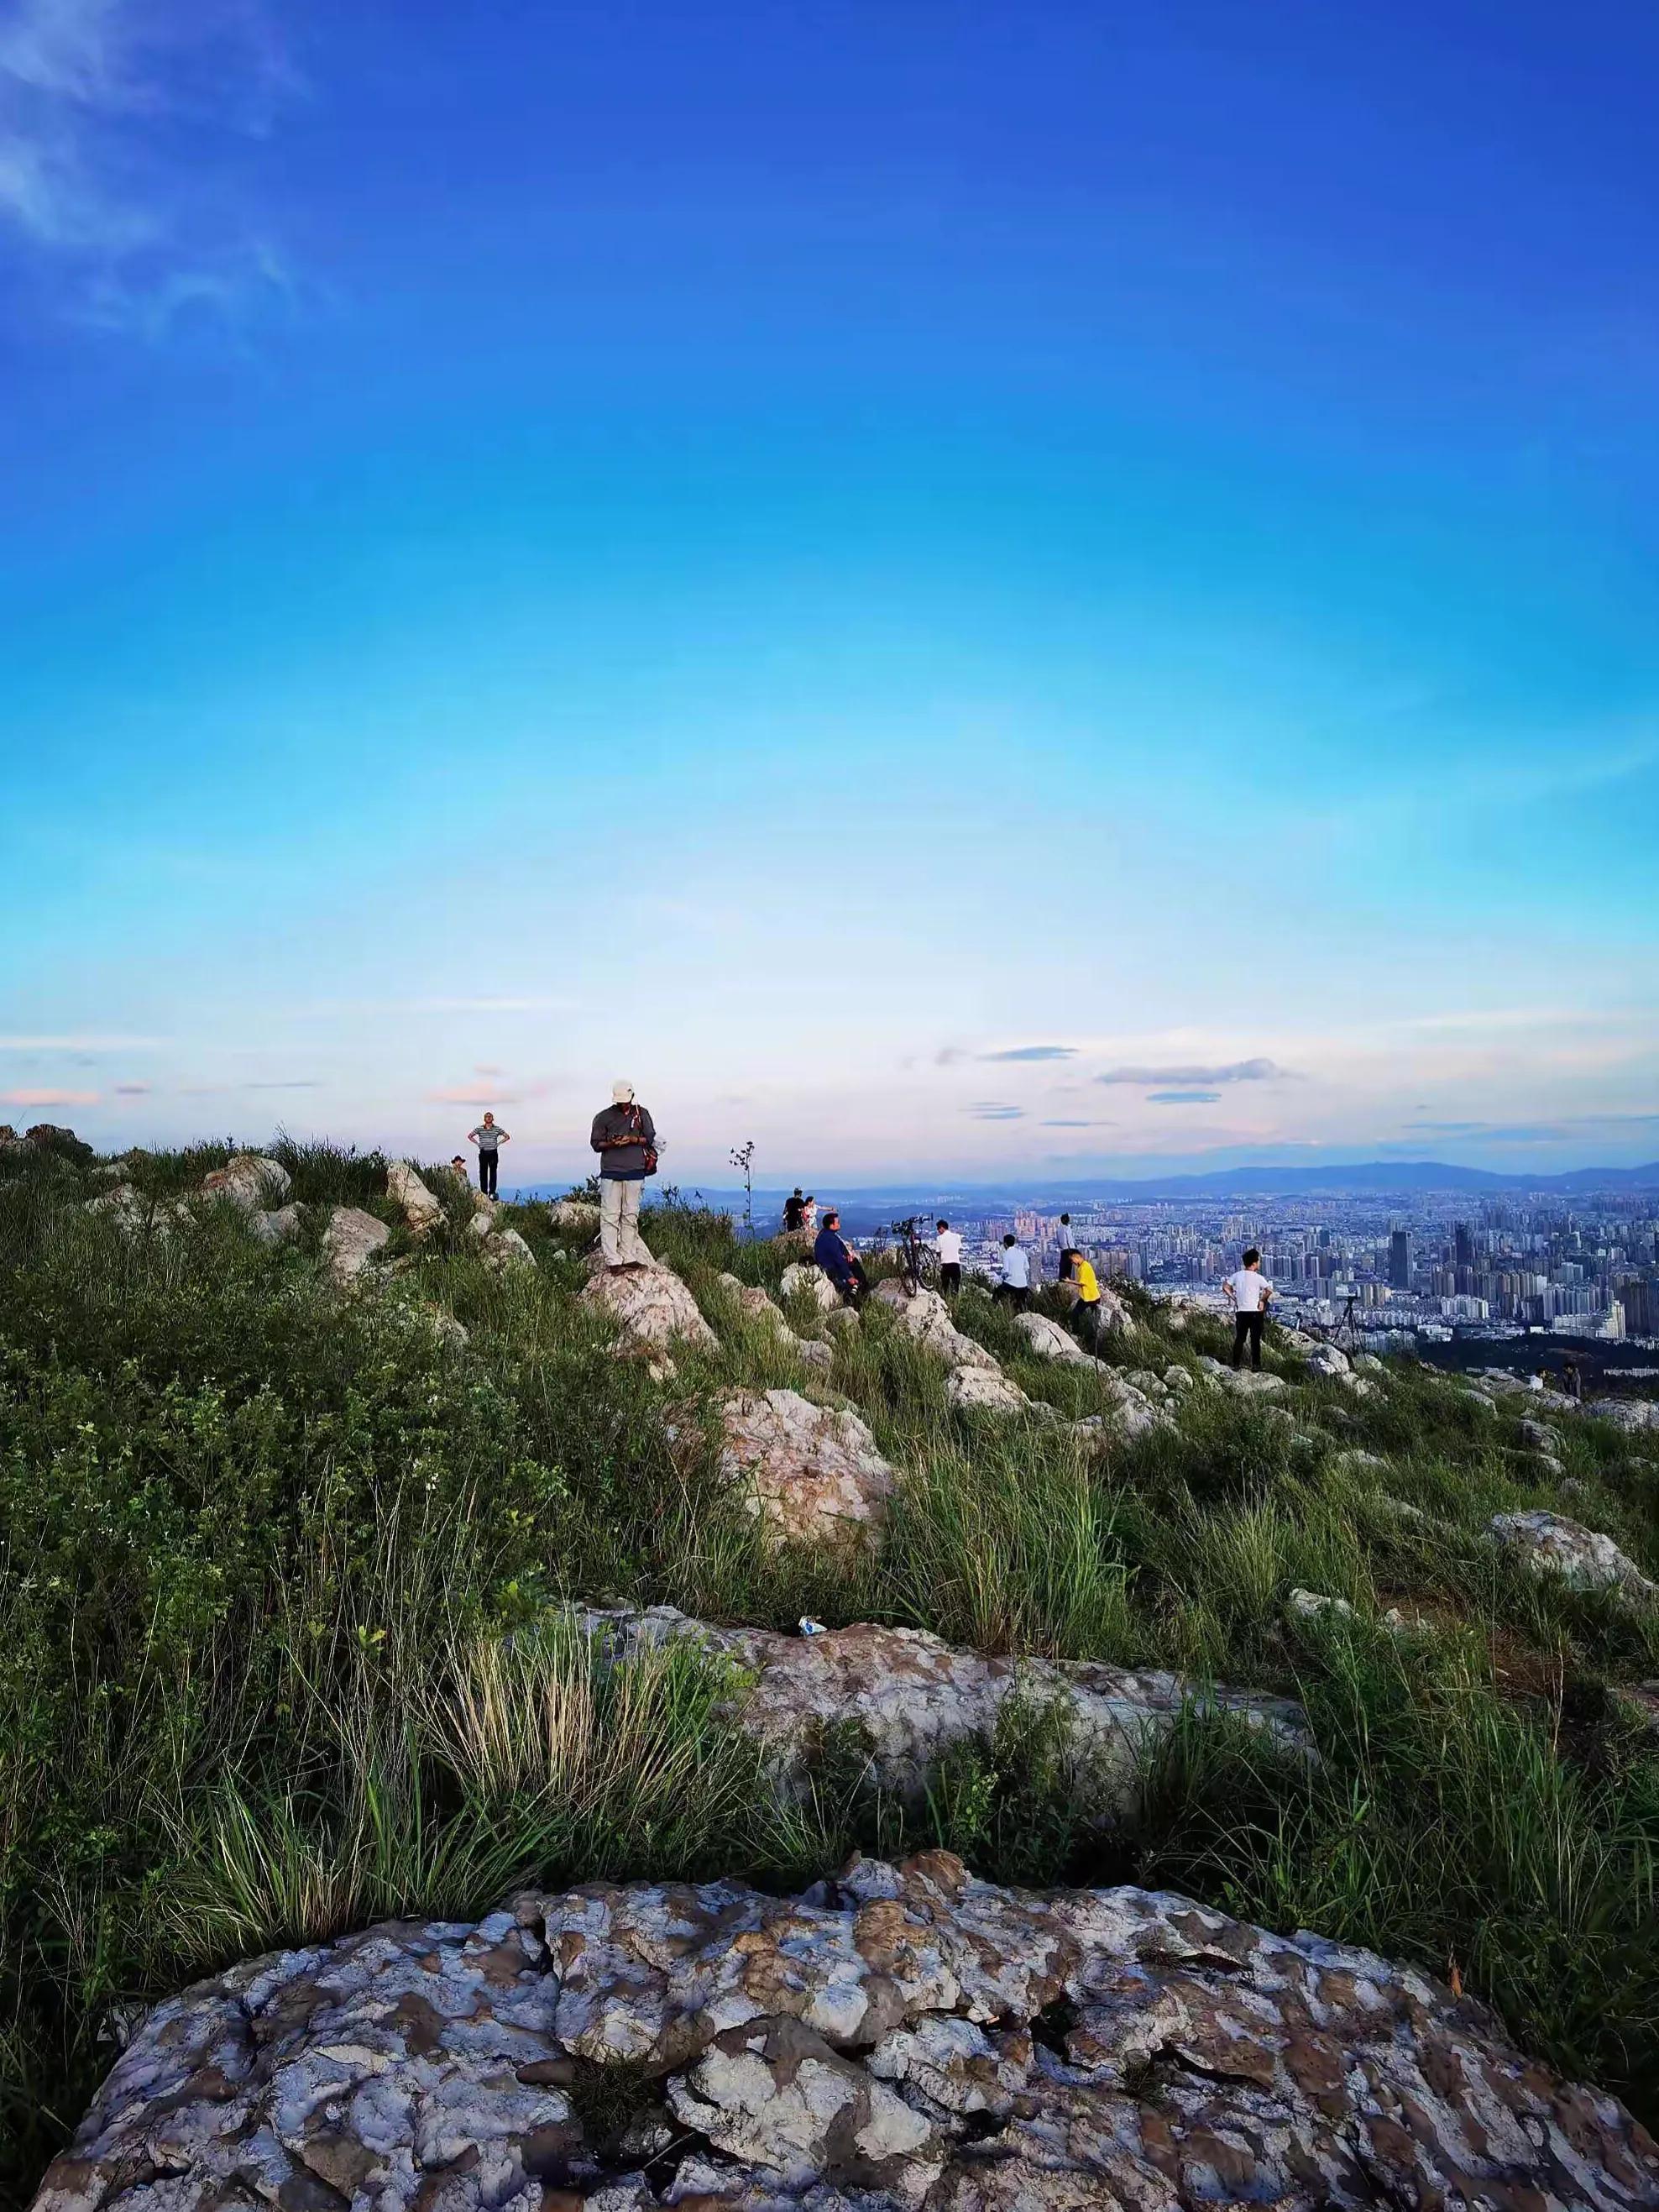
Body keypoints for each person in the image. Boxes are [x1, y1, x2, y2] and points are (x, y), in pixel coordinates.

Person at [589, 1080, 657, 1268]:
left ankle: (628, 1255)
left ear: (632, 1097)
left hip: (635, 1171)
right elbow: (596, 1144)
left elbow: (650, 1138)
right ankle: (612, 1259)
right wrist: (612, 1143)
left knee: (630, 1215)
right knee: (610, 1215)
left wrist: (631, 1139)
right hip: (611, 1172)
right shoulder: (603, 1117)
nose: (624, 1105)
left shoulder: (642, 1114)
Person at [1222, 1247, 1273, 1370]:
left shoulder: (1237, 1275)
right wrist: (1262, 1300)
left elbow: (1225, 1287)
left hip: (1241, 1311)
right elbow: (1269, 1290)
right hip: (1255, 1312)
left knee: (1240, 1338)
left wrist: (1235, 1298)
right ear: (1254, 1263)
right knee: (1255, 1340)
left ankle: (1235, 1364)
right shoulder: (1258, 1277)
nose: (1259, 1263)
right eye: (1259, 1261)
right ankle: (1256, 1365)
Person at [814, 1209, 867, 1306]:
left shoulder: (825, 1234)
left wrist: (847, 1255)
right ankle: (861, 1296)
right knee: (854, 1275)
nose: (839, 1224)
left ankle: (862, 1288)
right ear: (831, 1226)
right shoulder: (830, 1239)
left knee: (854, 1262)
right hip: (831, 1269)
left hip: (828, 1265)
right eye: (837, 1222)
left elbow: (841, 1246)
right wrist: (849, 1277)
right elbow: (838, 1259)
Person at [1063, 1248, 1104, 1351]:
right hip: (1087, 1296)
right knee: (1079, 1314)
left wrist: (1069, 1281)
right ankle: (1084, 1334)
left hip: (1091, 1297)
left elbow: (1082, 1283)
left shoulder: (1085, 1267)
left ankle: (1078, 1334)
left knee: (1076, 1314)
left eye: (1072, 1260)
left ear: (1077, 1257)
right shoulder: (1081, 1266)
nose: (1072, 1262)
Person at [468, 1112, 510, 1198]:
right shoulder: (480, 1128)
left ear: (492, 1118)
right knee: (483, 1173)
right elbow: (470, 1136)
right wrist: (478, 1144)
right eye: (487, 1117)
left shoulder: (497, 1129)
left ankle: (492, 1192)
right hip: (483, 1152)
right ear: (484, 1119)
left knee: (493, 1173)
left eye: (490, 1117)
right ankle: (484, 1192)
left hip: (493, 1152)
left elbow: (507, 1136)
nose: (488, 1118)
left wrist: (498, 1144)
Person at [993, 1232, 1030, 1311]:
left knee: (997, 1292)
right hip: (1023, 1285)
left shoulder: (1006, 1254)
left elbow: (1005, 1271)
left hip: (1012, 1285)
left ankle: (993, 1309)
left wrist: (1002, 1277)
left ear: (1005, 1244)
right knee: (1022, 1304)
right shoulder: (1022, 1253)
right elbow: (1027, 1267)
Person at [934, 1219, 963, 1296]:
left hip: (945, 1264)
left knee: (945, 1286)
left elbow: (938, 1252)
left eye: (938, 1229)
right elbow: (959, 1248)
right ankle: (955, 1298)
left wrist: (939, 1262)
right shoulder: (957, 1236)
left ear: (942, 1228)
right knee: (955, 1284)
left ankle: (946, 1298)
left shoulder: (939, 1238)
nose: (938, 1231)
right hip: (955, 1263)